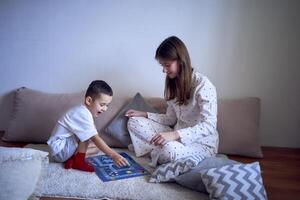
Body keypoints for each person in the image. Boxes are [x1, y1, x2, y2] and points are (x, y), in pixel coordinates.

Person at [126, 36, 219, 167]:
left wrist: (175, 134)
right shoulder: (172, 85)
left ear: (181, 61)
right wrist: (145, 114)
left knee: (169, 150)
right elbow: (170, 120)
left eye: (167, 65)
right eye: (162, 65)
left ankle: (154, 152)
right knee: (134, 122)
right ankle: (158, 152)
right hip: (175, 138)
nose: (164, 70)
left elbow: (209, 126)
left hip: (200, 144)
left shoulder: (203, 85)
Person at [47, 80, 129, 172]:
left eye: (107, 105)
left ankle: (72, 159)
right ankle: (79, 162)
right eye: (102, 105)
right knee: (88, 136)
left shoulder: (85, 112)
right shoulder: (81, 113)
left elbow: (95, 140)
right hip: (59, 151)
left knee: (96, 148)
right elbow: (95, 137)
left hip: (64, 149)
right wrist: (114, 155)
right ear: (89, 100)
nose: (105, 109)